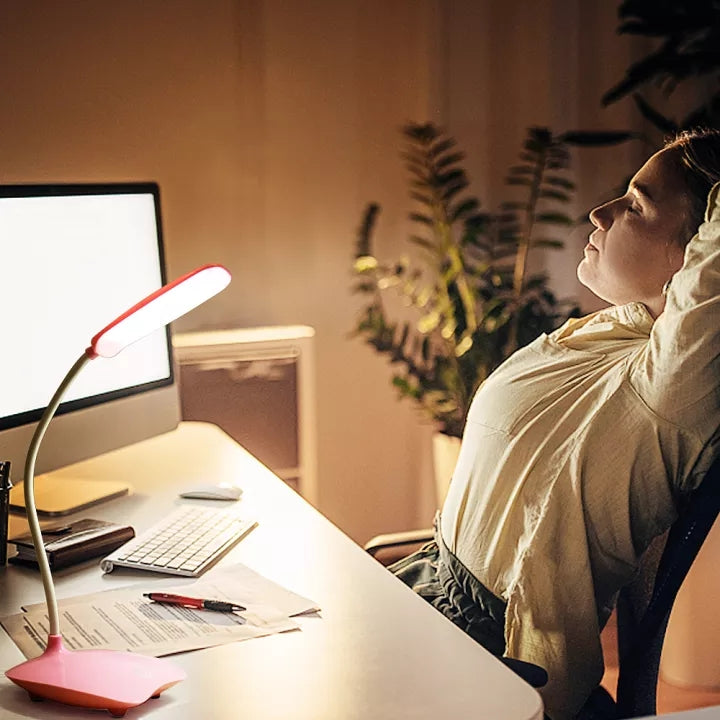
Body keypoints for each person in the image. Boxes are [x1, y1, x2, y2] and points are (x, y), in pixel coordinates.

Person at [389, 128, 720, 720]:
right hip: (427, 595)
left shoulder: (673, 384)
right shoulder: (619, 334)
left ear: (695, 255)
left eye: (638, 203)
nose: (600, 211)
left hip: (499, 659)